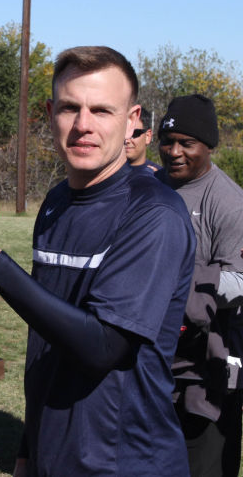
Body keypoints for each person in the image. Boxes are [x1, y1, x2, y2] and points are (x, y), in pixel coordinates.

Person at [0, 46, 196, 475]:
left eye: (102, 110)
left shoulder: (155, 215)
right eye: (69, 108)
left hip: (124, 462)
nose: (83, 125)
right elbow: (48, 343)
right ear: (48, 112)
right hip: (52, 455)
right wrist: (27, 451)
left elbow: (103, 347)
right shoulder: (57, 201)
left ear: (133, 120)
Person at [156, 94, 243, 477]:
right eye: (168, 141)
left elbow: (239, 281)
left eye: (187, 143)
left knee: (204, 464)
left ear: (208, 146)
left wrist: (172, 281)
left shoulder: (229, 201)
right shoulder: (151, 186)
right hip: (154, 358)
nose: (174, 152)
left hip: (207, 365)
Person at [125, 107, 160, 173]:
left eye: (134, 134)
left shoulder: (160, 177)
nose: (127, 141)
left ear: (148, 136)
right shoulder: (103, 175)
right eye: (123, 134)